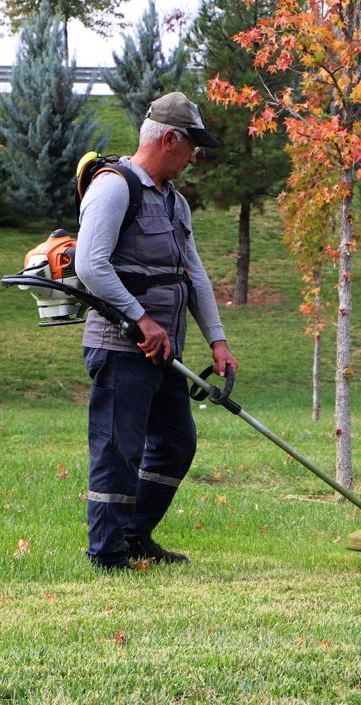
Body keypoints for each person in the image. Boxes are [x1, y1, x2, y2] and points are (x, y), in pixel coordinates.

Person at [75, 91, 239, 571]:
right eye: (192, 147)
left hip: (165, 350)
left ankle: (134, 533)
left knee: (175, 442)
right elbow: (90, 266)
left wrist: (218, 341)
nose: (194, 157)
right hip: (121, 346)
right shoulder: (114, 187)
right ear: (169, 139)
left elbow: (195, 274)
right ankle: (106, 553)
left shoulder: (175, 203)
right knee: (118, 448)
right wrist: (141, 319)